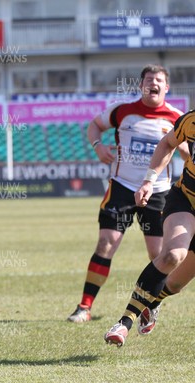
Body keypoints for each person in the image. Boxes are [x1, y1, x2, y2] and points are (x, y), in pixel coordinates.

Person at [67, 64, 185, 323]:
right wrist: (98, 146)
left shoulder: (176, 117)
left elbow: (187, 152)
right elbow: (94, 126)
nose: (153, 83)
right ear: (141, 85)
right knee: (106, 243)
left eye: (159, 80)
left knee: (160, 255)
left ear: (166, 87)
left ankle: (149, 306)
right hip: (121, 187)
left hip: (158, 194)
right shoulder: (122, 112)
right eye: (148, 79)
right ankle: (84, 307)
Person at [104, 109, 195, 346]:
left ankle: (153, 303)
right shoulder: (191, 120)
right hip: (186, 199)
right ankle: (124, 323)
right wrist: (148, 180)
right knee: (172, 256)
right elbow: (167, 143)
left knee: (174, 284)